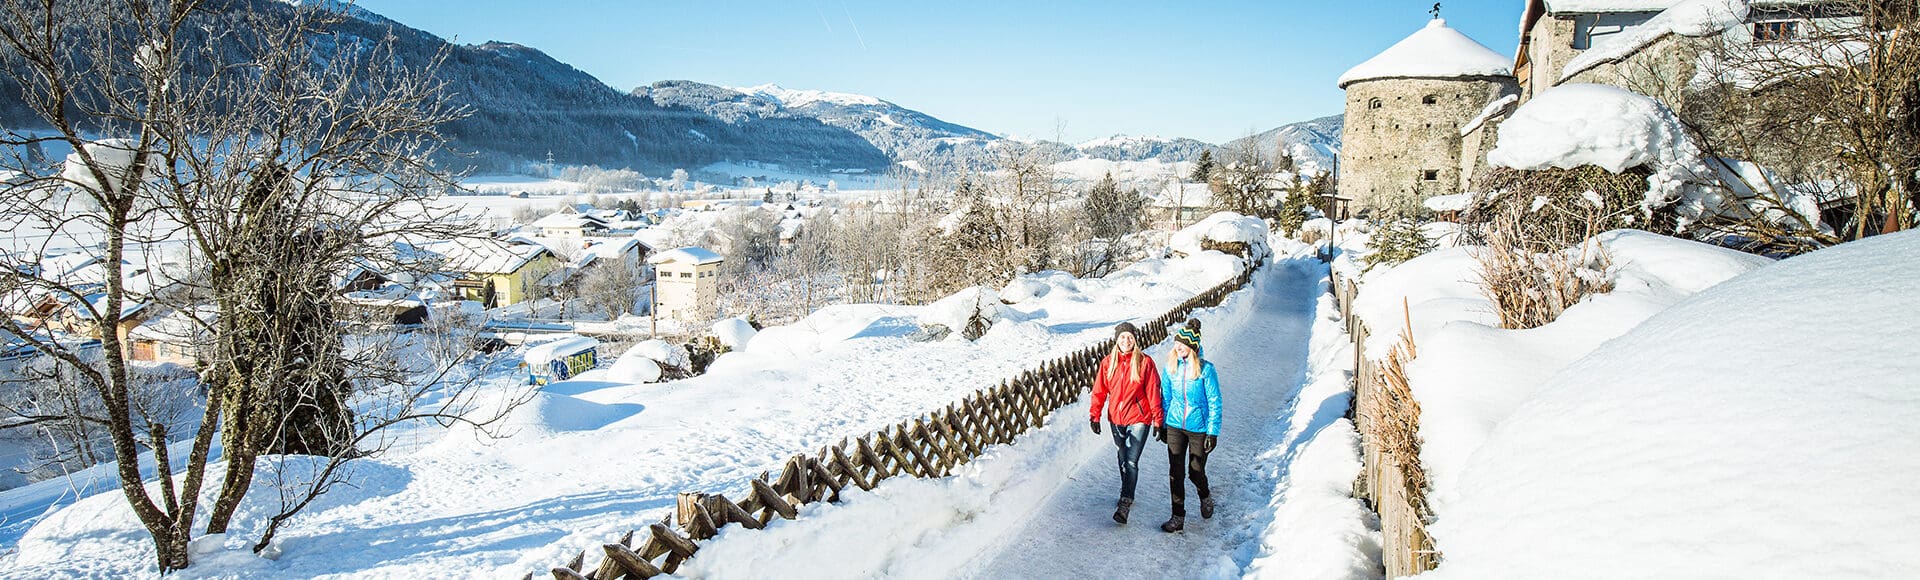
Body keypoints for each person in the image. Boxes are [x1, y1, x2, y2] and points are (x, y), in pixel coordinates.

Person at [1089, 321, 1161, 525]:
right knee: (1122, 455)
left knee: (1131, 460)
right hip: (1116, 418)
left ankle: (1125, 501)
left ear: (1135, 340)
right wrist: (1095, 415)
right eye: (1122, 337)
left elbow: (1154, 391)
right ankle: (1126, 490)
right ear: (1116, 340)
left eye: (1130, 337)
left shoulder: (1145, 362)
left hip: (1139, 418)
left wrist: (1158, 419)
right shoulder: (1108, 363)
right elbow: (1099, 391)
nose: (1126, 340)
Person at [1158, 318, 1221, 533]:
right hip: (1175, 424)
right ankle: (1177, 517)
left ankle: (1205, 495)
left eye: (1183, 345)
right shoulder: (1170, 368)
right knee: (1175, 472)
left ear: (1192, 348)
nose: (1178, 347)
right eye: (1177, 344)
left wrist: (1212, 432)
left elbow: (1215, 401)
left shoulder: (1206, 370)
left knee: (1195, 471)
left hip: (1199, 428)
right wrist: (1164, 425)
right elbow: (1165, 397)